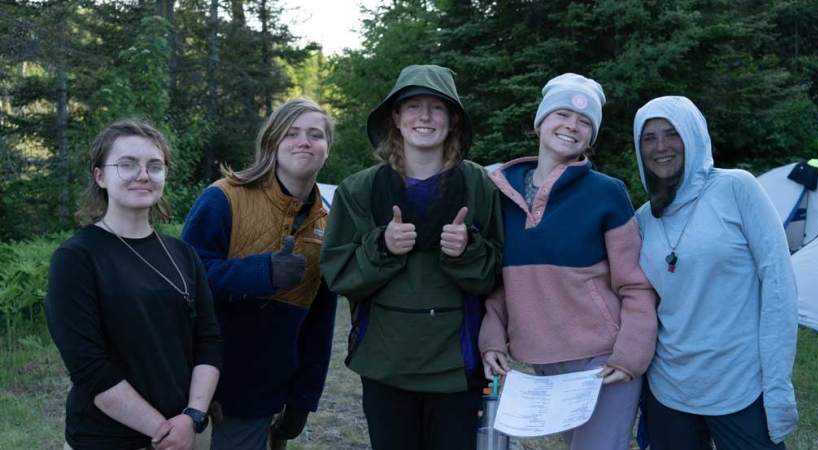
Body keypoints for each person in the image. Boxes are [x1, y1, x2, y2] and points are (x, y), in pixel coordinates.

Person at [320, 64, 504, 450]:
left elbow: (498, 276)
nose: (424, 117)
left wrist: (466, 252)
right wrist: (382, 248)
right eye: (413, 106)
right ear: (396, 118)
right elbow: (338, 274)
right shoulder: (360, 189)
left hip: (458, 365)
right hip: (387, 365)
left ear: (452, 120)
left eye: (436, 107)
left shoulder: (480, 186)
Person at [478, 73, 658, 450]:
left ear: (590, 138)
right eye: (562, 114)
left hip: (601, 361)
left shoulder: (607, 193)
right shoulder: (500, 193)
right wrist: (492, 338)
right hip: (540, 362)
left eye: (584, 122)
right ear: (540, 121)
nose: (572, 126)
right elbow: (500, 283)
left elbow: (636, 285)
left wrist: (630, 356)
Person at [45, 120, 223, 450]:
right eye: (127, 164)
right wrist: (165, 431)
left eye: (154, 166)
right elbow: (89, 368)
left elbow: (208, 340)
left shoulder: (182, 254)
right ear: (100, 176)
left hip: (190, 430)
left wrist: (193, 417)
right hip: (109, 439)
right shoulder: (76, 258)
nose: (143, 174)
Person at [632, 96, 798, 449]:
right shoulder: (644, 218)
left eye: (672, 133)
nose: (661, 147)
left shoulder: (736, 188)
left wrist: (778, 382)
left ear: (693, 136)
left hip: (739, 382)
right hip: (669, 386)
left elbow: (779, 286)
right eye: (649, 137)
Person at [181, 98, 337, 450]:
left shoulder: (329, 228)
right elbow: (185, 279)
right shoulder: (224, 197)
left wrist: (303, 400)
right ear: (272, 141)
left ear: (327, 148)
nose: (304, 141)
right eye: (292, 133)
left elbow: (320, 322)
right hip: (197, 383)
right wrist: (261, 272)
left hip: (261, 395)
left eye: (315, 134)